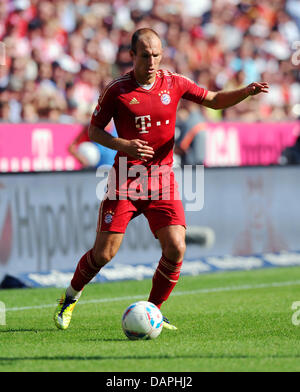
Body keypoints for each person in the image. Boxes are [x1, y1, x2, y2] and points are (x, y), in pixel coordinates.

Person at [54, 28, 269, 331]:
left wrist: (245, 92)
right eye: (145, 55)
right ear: (132, 56)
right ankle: (70, 297)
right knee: (104, 253)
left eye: (156, 54)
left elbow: (216, 100)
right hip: (126, 180)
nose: (152, 61)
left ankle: (154, 310)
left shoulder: (175, 83)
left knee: (176, 246)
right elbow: (93, 131)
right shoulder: (117, 90)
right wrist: (123, 145)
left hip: (162, 180)